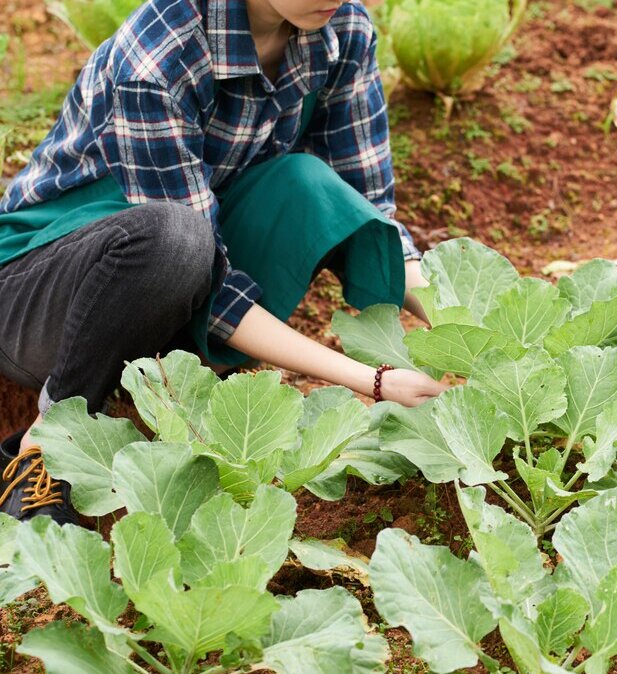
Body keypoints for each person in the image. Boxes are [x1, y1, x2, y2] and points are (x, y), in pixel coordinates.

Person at [0, 0, 448, 525]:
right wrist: (371, 380)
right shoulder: (160, 53)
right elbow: (208, 280)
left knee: (306, 184)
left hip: (175, 281)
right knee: (176, 239)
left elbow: (367, 206)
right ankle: (47, 441)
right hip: (38, 292)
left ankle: (173, 393)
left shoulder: (341, 26)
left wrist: (462, 325)